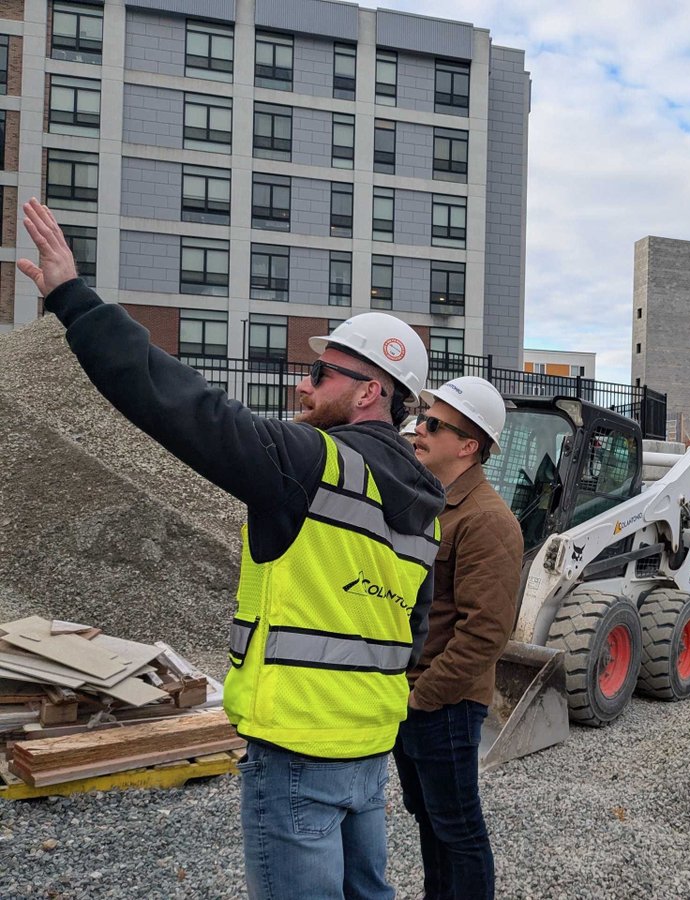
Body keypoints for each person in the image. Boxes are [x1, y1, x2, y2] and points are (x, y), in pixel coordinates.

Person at [17, 198, 444, 900]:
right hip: (368, 751)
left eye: (324, 374)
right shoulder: (425, 504)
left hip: (299, 750)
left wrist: (74, 299)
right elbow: (409, 633)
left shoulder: (311, 463)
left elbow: (183, 407)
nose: (302, 384)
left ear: (371, 390)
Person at [392, 376, 523, 900]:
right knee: (428, 818)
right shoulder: (431, 503)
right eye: (421, 419)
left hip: (443, 703)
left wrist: (420, 697)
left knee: (458, 827)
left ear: (469, 445)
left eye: (433, 424)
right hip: (413, 696)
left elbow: (486, 633)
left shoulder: (487, 521)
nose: (418, 430)